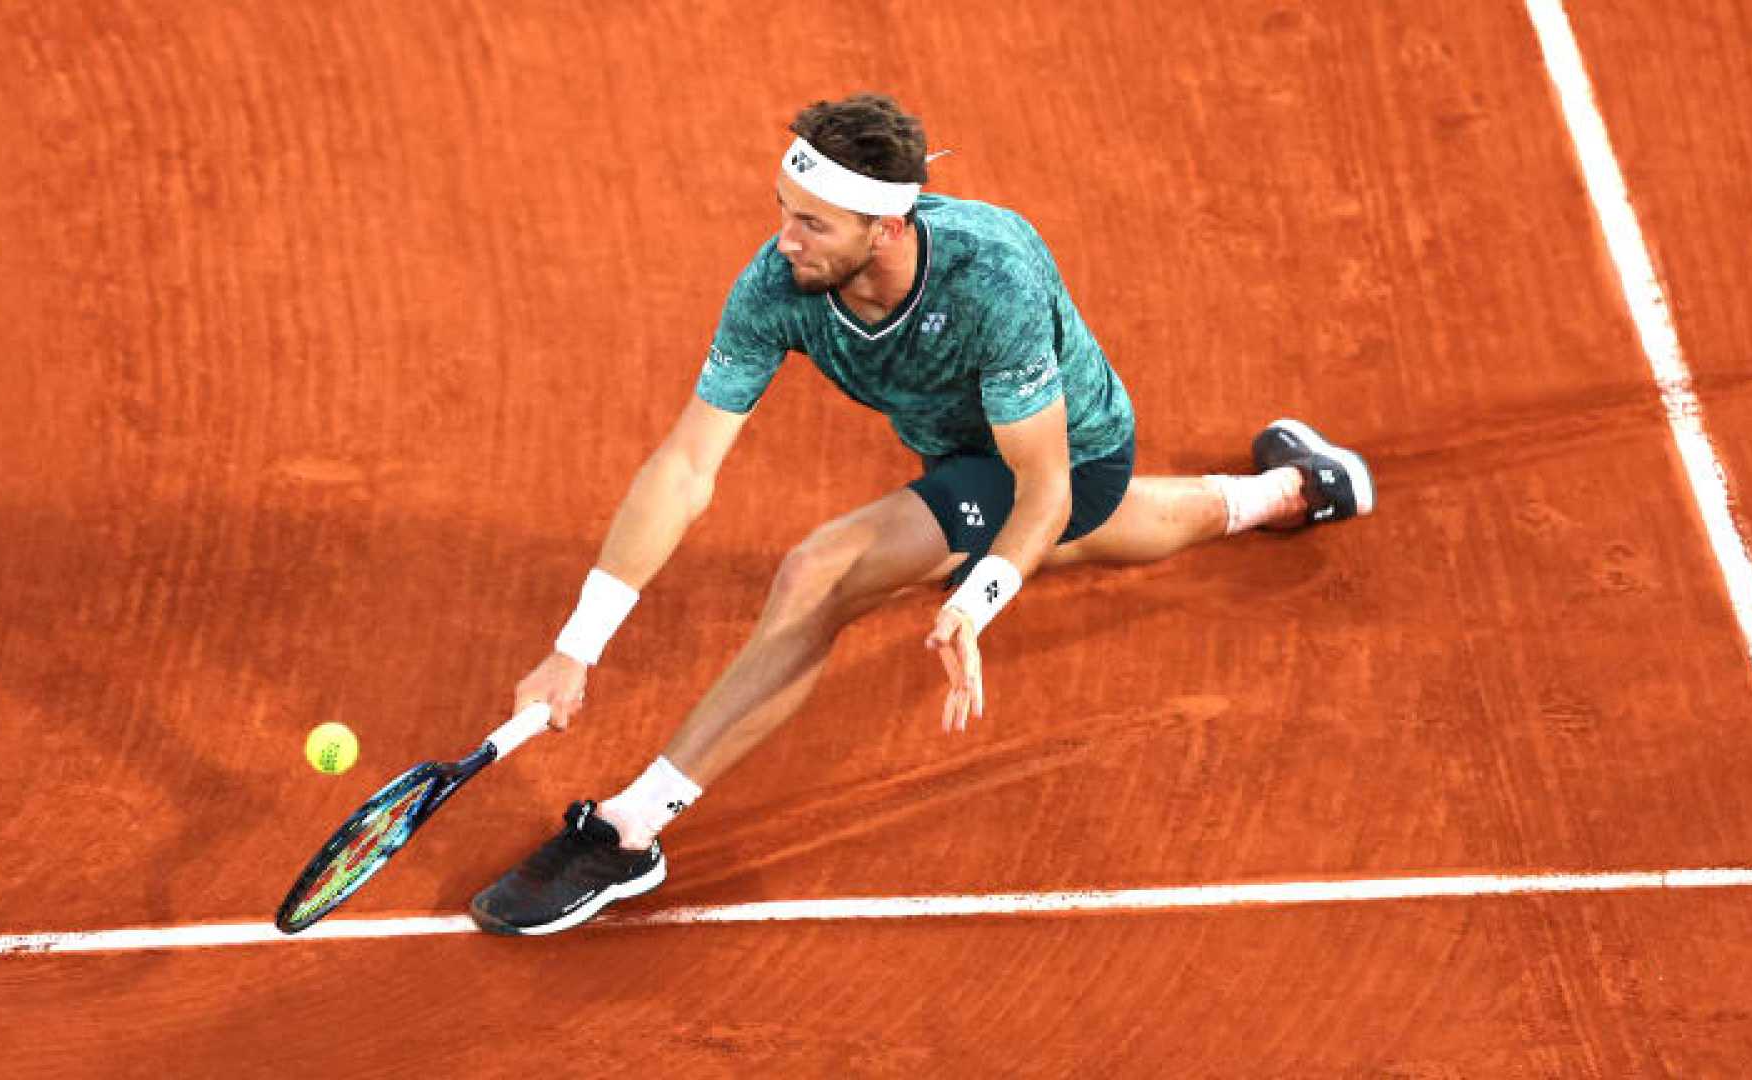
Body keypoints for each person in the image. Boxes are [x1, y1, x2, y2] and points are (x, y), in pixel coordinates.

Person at [469, 93, 1373, 936]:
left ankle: (630, 832)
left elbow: (1045, 490)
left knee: (823, 573)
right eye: (783, 210)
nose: (784, 242)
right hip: (965, 458)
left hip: (1064, 462)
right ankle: (1288, 492)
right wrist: (575, 646)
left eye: (811, 223)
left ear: (887, 227)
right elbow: (686, 463)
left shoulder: (992, 279)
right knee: (1069, 543)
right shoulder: (779, 284)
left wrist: (975, 602)